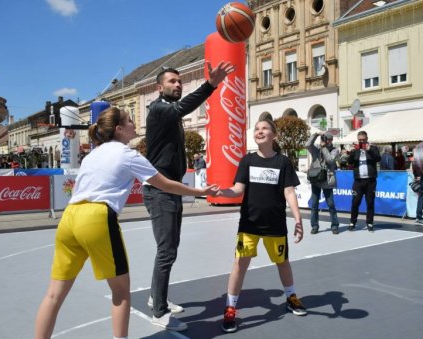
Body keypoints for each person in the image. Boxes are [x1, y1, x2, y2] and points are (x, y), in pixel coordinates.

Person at [34, 107, 219, 339]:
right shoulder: (127, 154)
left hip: (69, 218)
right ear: (119, 129)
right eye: (130, 121)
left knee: (53, 295)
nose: (134, 124)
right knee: (121, 293)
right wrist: (199, 190)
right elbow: (166, 184)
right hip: (96, 218)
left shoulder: (92, 155)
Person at [143, 61, 234, 331]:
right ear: (159, 88)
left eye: (180, 81)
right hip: (160, 191)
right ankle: (159, 312)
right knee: (166, 251)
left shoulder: (170, 114)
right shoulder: (160, 109)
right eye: (172, 81)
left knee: (169, 250)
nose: (178, 84)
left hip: (170, 188)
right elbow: (185, 106)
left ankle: (155, 297)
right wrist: (211, 84)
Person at [218, 118, 306, 333]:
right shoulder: (247, 160)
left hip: (275, 225)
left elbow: (289, 192)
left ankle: (291, 297)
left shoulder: (283, 162)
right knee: (240, 265)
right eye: (256, 129)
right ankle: (230, 308)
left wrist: (298, 218)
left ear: (274, 135)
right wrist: (220, 191)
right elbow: (238, 189)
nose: (259, 131)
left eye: (264, 128)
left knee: (283, 262)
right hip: (249, 224)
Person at [305, 132, 339, 234]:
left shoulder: (335, 150)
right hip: (316, 179)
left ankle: (334, 225)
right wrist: (315, 135)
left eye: (327, 139)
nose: (324, 141)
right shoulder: (316, 150)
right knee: (314, 204)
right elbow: (307, 145)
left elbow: (330, 160)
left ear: (330, 140)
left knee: (331, 204)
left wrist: (324, 148)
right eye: (323, 139)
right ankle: (314, 226)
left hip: (327, 180)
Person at [347, 131, 381, 232]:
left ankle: (370, 223)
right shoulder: (356, 150)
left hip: (370, 180)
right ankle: (353, 222)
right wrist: (352, 152)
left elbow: (378, 158)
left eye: (363, 140)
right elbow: (349, 162)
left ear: (367, 139)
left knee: (370, 202)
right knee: (355, 202)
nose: (362, 142)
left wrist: (369, 149)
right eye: (360, 140)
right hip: (358, 181)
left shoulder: (373, 148)